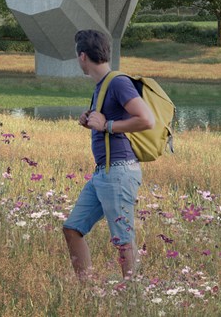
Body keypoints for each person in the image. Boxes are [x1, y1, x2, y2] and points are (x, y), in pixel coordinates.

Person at [62, 28, 154, 280]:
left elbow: (146, 120)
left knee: (122, 238)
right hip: (104, 172)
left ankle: (132, 295)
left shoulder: (118, 82)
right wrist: (90, 119)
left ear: (82, 56)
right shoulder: (102, 86)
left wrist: (108, 126)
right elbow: (107, 120)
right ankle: (88, 290)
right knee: (72, 228)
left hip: (120, 170)